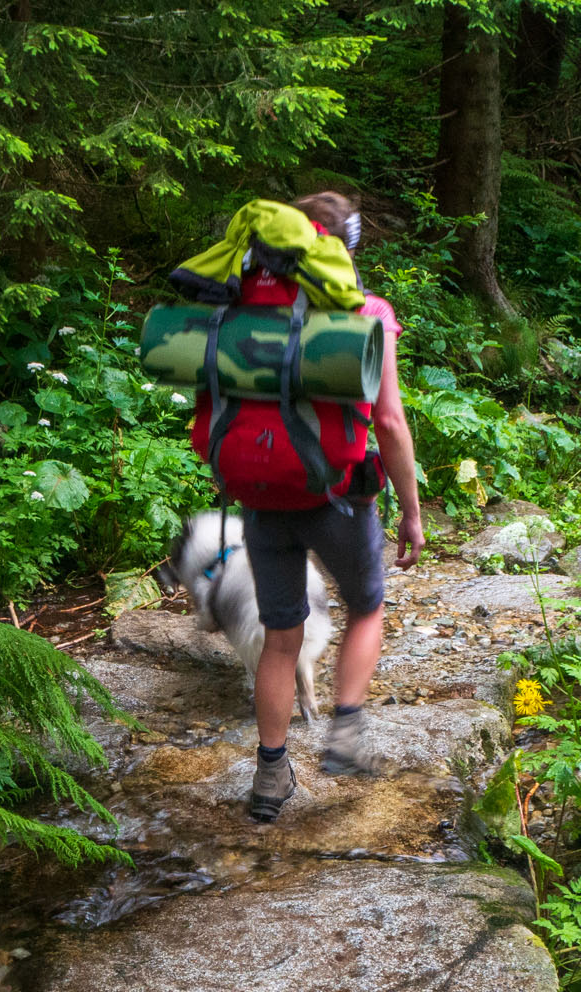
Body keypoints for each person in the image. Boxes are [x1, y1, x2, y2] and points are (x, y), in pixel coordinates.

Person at [246, 190, 424, 822]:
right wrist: (411, 510)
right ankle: (346, 729)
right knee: (367, 605)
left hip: (263, 495)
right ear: (345, 248)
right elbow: (390, 422)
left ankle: (270, 777)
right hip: (340, 496)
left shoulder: (245, 309)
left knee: (280, 639)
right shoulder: (367, 311)